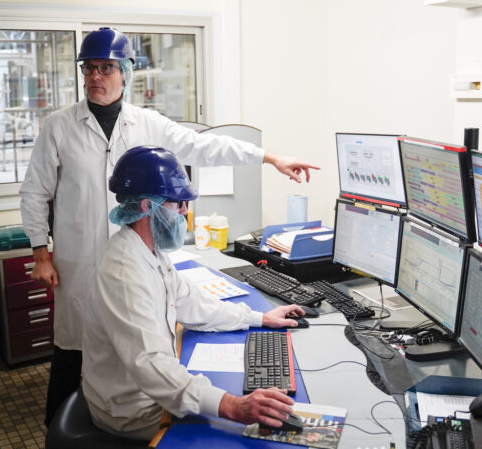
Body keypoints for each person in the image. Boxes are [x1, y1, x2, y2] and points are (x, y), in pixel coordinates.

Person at [20, 26, 319, 426]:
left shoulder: (146, 123)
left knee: (122, 355)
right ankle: (62, 430)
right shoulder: (58, 126)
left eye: (105, 68)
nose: (95, 76)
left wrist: (269, 157)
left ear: (125, 72)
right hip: (81, 264)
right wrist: (41, 251)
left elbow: (205, 146)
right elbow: (34, 192)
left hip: (135, 246)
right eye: (89, 68)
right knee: (76, 355)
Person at [82, 145, 304, 439]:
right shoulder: (123, 272)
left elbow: (193, 304)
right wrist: (234, 406)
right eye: (179, 205)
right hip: (135, 409)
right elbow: (151, 364)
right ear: (148, 206)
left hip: (152, 392)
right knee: (240, 435)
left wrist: (260, 317)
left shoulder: (148, 251)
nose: (186, 212)